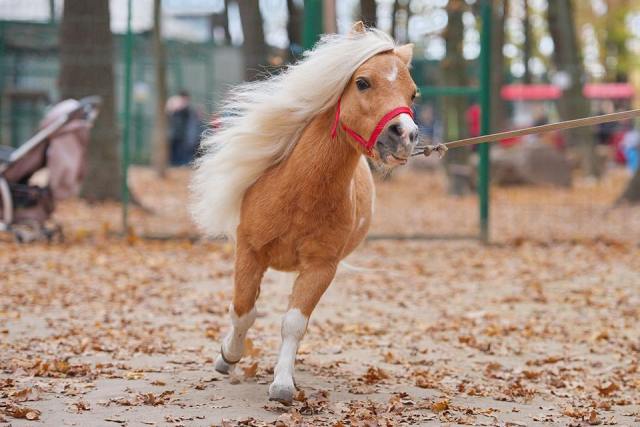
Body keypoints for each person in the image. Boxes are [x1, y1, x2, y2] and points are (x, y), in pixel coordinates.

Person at [166, 90, 204, 166]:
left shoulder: (187, 110)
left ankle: (179, 163)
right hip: (176, 133)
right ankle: (175, 163)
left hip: (182, 134)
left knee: (181, 150)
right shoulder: (175, 106)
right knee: (175, 150)